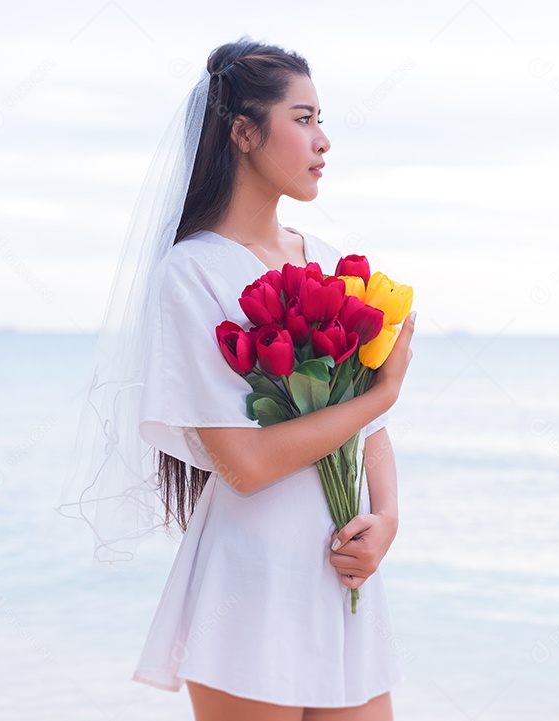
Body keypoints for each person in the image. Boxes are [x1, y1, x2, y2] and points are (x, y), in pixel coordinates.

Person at [60, 37, 414, 720]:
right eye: (303, 119)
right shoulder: (191, 273)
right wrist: (384, 390)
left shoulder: (332, 264)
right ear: (244, 133)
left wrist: (387, 518)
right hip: (251, 580)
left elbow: (371, 431)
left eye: (321, 120)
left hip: (343, 572)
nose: (323, 140)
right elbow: (244, 465)